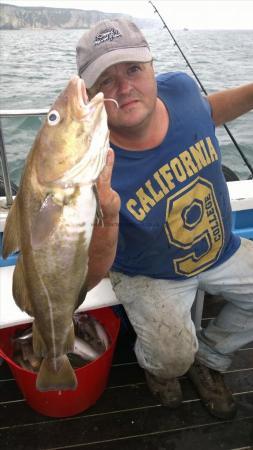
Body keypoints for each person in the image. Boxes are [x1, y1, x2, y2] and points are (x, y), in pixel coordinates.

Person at [76, 19, 253, 419]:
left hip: (220, 249)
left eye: (133, 69)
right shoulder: (91, 164)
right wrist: (105, 212)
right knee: (171, 358)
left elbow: (210, 110)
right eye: (105, 80)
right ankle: (160, 369)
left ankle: (210, 355)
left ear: (153, 67)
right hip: (149, 274)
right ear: (89, 97)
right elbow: (91, 271)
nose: (124, 88)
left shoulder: (182, 90)